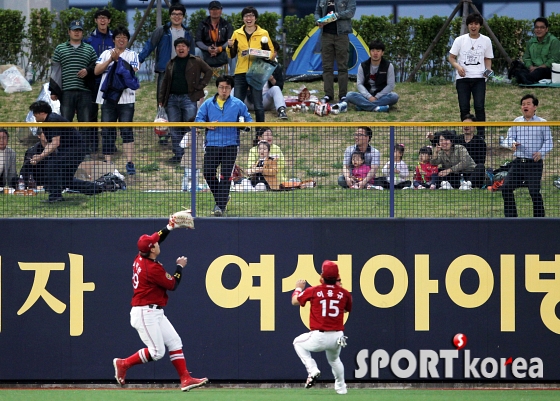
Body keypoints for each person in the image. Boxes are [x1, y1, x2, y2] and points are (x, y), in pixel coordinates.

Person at [112, 217, 208, 392]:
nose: (157, 243)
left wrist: (170, 227)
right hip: (144, 312)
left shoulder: (141, 255)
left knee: (175, 341)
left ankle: (185, 379)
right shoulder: (152, 269)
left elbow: (158, 237)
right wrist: (179, 267)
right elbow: (173, 285)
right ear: (152, 250)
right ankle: (123, 364)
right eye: (154, 244)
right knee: (157, 352)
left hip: (153, 311)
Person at [195, 75, 253, 217]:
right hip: (212, 144)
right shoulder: (208, 104)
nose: (224, 90)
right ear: (217, 88)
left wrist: (243, 126)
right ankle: (222, 198)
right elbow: (198, 120)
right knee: (208, 173)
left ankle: (219, 207)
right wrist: (207, 125)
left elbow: (249, 121)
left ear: (231, 89)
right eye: (221, 87)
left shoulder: (238, 104)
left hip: (231, 144)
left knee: (226, 175)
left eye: (227, 87)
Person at [292, 260, 352, 395]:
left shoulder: (314, 290)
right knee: (335, 360)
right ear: (337, 277)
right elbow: (346, 309)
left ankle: (312, 370)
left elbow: (295, 301)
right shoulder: (344, 293)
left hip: (319, 336)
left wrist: (298, 288)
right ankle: (341, 388)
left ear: (322, 276)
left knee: (297, 343)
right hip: (337, 336)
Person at [138, 4, 195, 145]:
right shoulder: (162, 31)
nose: (177, 16)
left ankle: (182, 133)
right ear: (170, 15)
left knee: (183, 102)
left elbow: (192, 53)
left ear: (183, 16)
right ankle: (163, 132)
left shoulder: (188, 33)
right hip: (165, 71)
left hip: (184, 73)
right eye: (174, 14)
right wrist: (138, 60)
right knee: (162, 102)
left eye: (180, 14)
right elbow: (149, 45)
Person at [28, 101, 105, 202]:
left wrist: (40, 156)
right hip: (70, 150)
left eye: (35, 114)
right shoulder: (47, 122)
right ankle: (96, 188)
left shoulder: (52, 120)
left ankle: (55, 196)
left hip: (75, 149)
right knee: (66, 180)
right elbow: (51, 143)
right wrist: (40, 155)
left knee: (51, 166)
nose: (34, 117)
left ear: (42, 113)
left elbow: (55, 143)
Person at [159, 38, 212, 164]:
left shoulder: (196, 61)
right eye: (178, 46)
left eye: (183, 46)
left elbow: (209, 71)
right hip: (172, 99)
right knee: (174, 128)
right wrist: (161, 99)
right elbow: (165, 81)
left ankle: (190, 155)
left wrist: (200, 86)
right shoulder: (171, 63)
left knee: (190, 127)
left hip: (189, 98)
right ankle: (178, 155)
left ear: (188, 48)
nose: (180, 48)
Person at [94, 26, 139, 175]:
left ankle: (130, 162)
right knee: (107, 130)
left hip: (126, 98)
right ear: (113, 39)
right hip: (108, 98)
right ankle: (107, 162)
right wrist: (110, 61)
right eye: (118, 37)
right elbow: (96, 71)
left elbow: (133, 71)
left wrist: (119, 60)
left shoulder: (132, 54)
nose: (121, 39)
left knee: (126, 130)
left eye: (124, 37)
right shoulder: (106, 53)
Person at [500, 94, 553, 217]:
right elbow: (509, 138)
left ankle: (539, 219)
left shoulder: (543, 123)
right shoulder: (517, 121)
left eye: (528, 104)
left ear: (535, 107)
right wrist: (512, 143)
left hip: (534, 164)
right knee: (506, 188)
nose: (525, 106)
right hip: (518, 162)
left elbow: (549, 142)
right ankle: (511, 219)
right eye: (523, 104)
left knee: (534, 192)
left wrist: (541, 152)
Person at [49, 20, 98, 153]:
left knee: (85, 124)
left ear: (82, 33)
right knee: (65, 123)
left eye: (79, 30)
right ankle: (66, 150)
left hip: (85, 92)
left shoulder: (89, 49)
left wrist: (88, 70)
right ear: (69, 32)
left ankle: (84, 151)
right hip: (66, 92)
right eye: (74, 30)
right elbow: (55, 71)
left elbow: (96, 67)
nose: (77, 32)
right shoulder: (60, 48)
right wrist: (54, 90)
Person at [448, 13, 494, 137]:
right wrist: (458, 67)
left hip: (479, 79)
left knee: (479, 106)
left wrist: (487, 71)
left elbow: (488, 59)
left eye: (476, 24)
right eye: (471, 24)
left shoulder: (486, 40)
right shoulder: (460, 40)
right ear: (468, 25)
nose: (473, 26)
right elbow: (451, 58)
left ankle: (480, 135)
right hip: (463, 79)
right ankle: (466, 134)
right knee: (464, 107)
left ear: (480, 26)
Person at [226, 6, 274, 123]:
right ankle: (234, 133)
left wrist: (259, 52)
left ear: (255, 18)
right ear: (243, 19)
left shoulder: (263, 33)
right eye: (246, 16)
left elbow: (271, 54)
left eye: (251, 15)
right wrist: (230, 46)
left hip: (257, 71)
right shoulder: (237, 33)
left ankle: (260, 133)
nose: (249, 18)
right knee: (237, 103)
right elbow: (231, 55)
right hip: (240, 72)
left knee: (258, 104)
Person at [314, 0, 356, 104]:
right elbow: (317, 11)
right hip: (325, 35)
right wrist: (318, 20)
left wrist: (336, 15)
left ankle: (342, 95)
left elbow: (351, 12)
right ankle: (328, 95)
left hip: (341, 35)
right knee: (327, 67)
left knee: (342, 67)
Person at [84, 9, 114, 155]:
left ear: (109, 21)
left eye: (105, 18)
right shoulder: (89, 40)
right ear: (96, 20)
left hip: (111, 82)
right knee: (92, 114)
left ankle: (110, 144)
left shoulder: (115, 38)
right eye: (100, 18)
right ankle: (93, 144)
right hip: (93, 81)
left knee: (110, 114)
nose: (102, 21)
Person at [235, 41, 288, 120]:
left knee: (276, 88)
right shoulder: (253, 64)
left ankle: (281, 111)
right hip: (249, 100)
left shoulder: (276, 67)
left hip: (264, 101)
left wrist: (272, 79)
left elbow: (280, 87)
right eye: (271, 51)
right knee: (234, 89)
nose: (273, 54)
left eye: (275, 52)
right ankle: (233, 111)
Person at [345, 40, 399, 112]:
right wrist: (369, 96)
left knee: (394, 96)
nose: (375, 53)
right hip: (366, 95)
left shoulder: (388, 66)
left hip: (381, 95)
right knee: (349, 95)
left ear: (382, 53)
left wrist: (377, 97)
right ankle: (377, 108)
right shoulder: (363, 65)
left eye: (378, 51)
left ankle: (363, 106)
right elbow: (359, 84)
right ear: (370, 52)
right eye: (373, 50)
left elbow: (390, 85)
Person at [519, 18, 560, 83]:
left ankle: (525, 79)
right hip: (532, 70)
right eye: (536, 27)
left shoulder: (554, 41)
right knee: (518, 69)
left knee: (540, 71)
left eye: (542, 27)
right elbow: (526, 58)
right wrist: (530, 67)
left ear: (546, 29)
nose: (539, 30)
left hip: (547, 70)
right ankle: (525, 78)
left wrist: (538, 68)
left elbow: (554, 59)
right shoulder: (531, 42)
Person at [195, 1, 234, 71]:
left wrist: (219, 49)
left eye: (217, 9)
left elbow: (230, 41)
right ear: (209, 11)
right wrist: (208, 48)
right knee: (196, 50)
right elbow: (198, 41)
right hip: (206, 54)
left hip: (222, 54)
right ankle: (197, 79)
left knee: (233, 51)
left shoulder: (227, 25)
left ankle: (234, 78)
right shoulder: (202, 24)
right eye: (212, 9)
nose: (215, 11)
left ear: (221, 10)